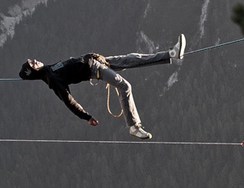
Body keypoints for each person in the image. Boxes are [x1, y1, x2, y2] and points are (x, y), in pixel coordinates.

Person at [18, 35, 186, 139]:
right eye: (32, 64)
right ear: (34, 72)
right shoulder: (51, 79)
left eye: (32, 60)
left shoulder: (49, 69)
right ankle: (134, 126)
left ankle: (171, 55)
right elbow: (68, 100)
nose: (35, 60)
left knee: (132, 58)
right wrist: (87, 117)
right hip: (96, 69)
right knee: (125, 86)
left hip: (98, 61)